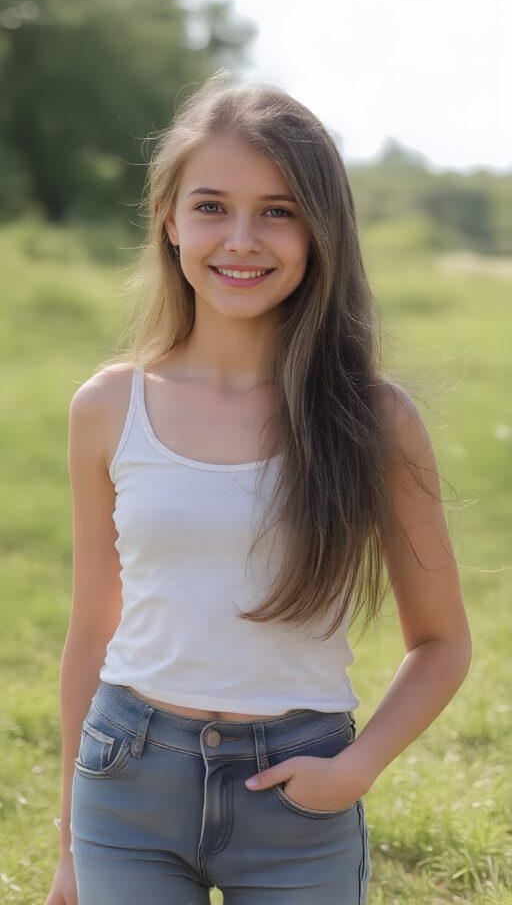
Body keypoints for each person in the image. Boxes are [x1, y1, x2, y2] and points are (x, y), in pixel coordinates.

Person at [45, 75, 471, 905]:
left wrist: (355, 770)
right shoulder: (106, 408)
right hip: (126, 783)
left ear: (321, 231)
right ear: (170, 221)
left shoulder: (373, 420)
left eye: (278, 210)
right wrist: (69, 839)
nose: (242, 239)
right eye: (212, 206)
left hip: (297, 795)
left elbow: (443, 644)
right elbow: (93, 627)